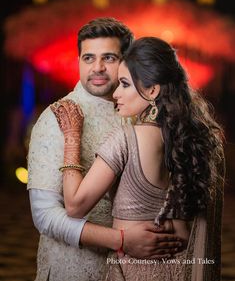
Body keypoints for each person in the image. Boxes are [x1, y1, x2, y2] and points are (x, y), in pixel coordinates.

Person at [52, 37, 225, 281]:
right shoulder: (199, 141)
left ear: (152, 90)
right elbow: (191, 231)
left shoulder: (126, 139)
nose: (116, 94)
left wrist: (71, 138)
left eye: (124, 84)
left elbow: (75, 205)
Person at [27, 19, 182, 281]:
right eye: (88, 58)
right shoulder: (58, 116)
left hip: (135, 268)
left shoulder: (140, 110)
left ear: (126, 61)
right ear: (78, 60)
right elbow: (45, 216)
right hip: (73, 267)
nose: (97, 68)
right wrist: (121, 240)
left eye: (108, 57)